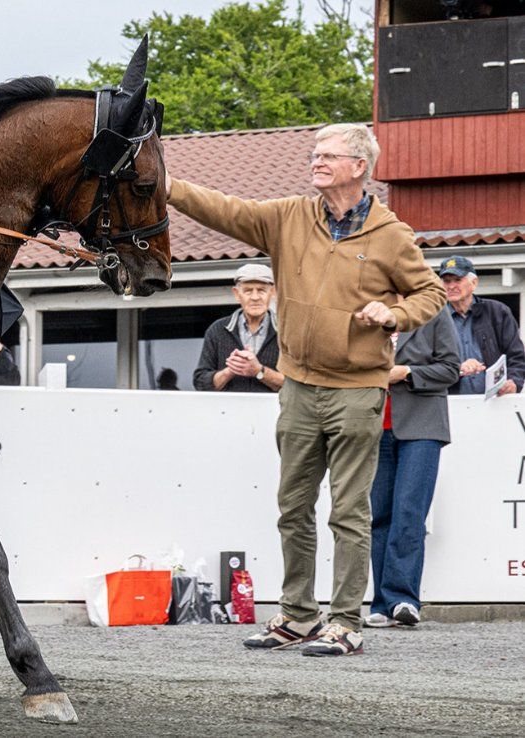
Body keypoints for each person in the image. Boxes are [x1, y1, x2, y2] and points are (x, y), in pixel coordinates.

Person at [167, 123, 446, 656]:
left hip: (358, 389)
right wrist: (165, 183)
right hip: (297, 386)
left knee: (349, 512)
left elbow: (429, 292)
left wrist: (395, 313)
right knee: (292, 506)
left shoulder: (391, 235)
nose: (315, 161)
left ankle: (345, 622)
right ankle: (297, 616)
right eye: (314, 153)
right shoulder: (288, 217)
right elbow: (225, 209)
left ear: (359, 166)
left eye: (328, 155)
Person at [367, 306, 460, 629]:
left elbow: (450, 369)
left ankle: (402, 599)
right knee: (378, 516)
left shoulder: (434, 313)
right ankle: (380, 602)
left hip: (422, 426)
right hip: (373, 427)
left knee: (408, 512)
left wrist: (406, 372)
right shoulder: (369, 310)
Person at [437, 256, 525, 396]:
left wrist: (514, 381)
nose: (451, 286)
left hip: (495, 402)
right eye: (447, 281)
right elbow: (427, 366)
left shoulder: (497, 312)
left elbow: (516, 355)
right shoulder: (435, 319)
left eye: (458, 280)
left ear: (474, 283)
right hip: (450, 404)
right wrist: (458, 369)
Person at [194, 264, 283, 393]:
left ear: (272, 293)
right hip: (227, 412)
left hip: (272, 412)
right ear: (237, 294)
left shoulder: (286, 332)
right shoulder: (217, 330)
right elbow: (200, 384)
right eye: (248, 291)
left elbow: (297, 387)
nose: (255, 297)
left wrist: (259, 371)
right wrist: (231, 370)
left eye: (261, 290)